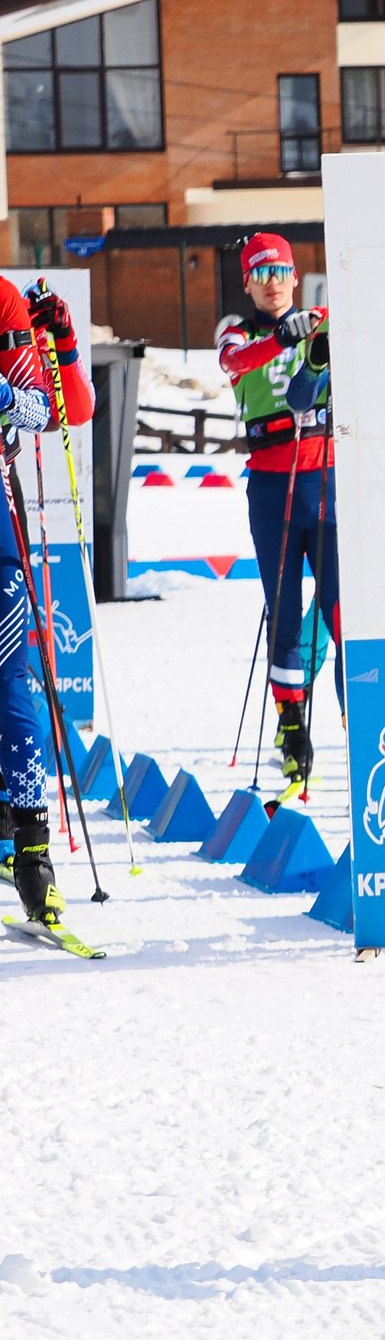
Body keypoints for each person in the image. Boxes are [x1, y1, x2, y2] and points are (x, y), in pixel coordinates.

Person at [215, 232, 338, 787]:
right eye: (259, 273)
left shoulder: (322, 318)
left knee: (343, 611)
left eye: (279, 270)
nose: (271, 282)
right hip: (272, 486)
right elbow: (234, 361)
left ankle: (363, 716)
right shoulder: (237, 331)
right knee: (284, 610)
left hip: (329, 478)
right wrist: (279, 338)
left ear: (295, 273)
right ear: (247, 281)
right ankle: (292, 727)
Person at [4, 278, 92, 936]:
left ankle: (33, 853)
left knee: (13, 682)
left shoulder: (3, 299)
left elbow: (58, 409)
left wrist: (8, 394)